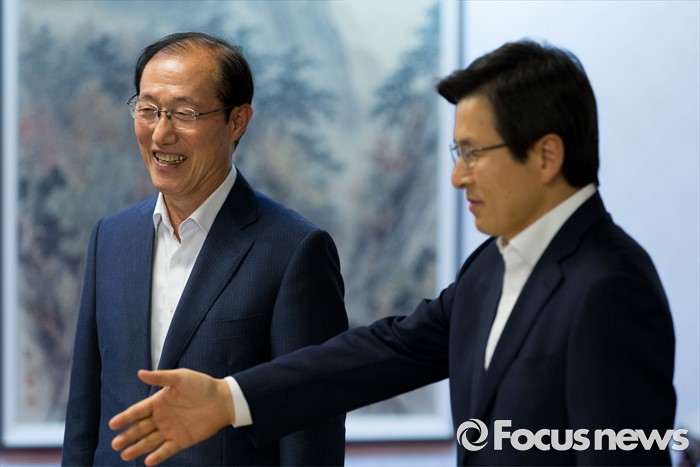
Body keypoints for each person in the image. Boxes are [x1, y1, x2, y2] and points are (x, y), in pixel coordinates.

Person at [108, 39, 677, 466]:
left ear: (547, 156)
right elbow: (384, 353)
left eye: (475, 153)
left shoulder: (611, 287)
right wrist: (228, 398)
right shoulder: (492, 266)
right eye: (457, 152)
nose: (458, 176)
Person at [61, 32, 349, 466]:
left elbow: (310, 433)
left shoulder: (295, 251)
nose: (161, 133)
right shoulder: (111, 238)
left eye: (184, 113)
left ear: (238, 121)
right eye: (148, 110)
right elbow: (84, 415)